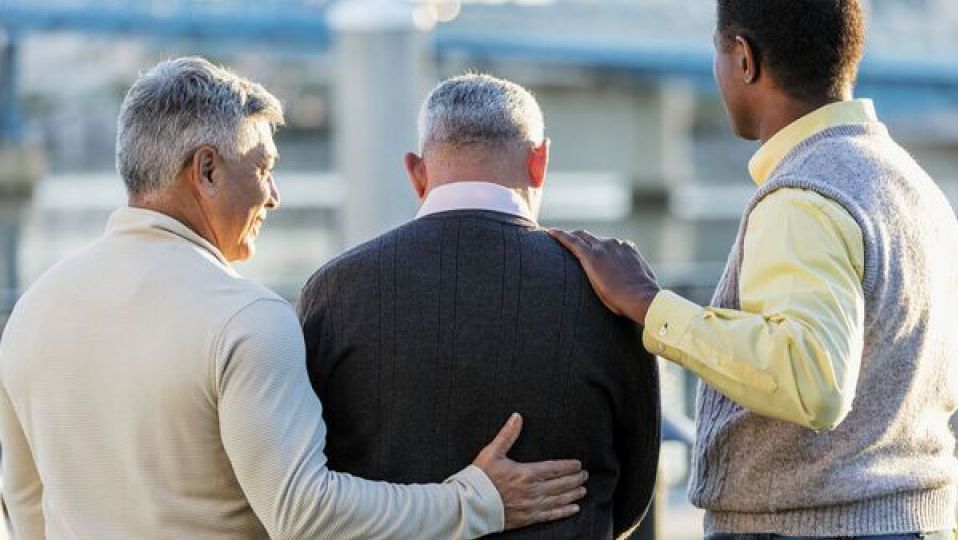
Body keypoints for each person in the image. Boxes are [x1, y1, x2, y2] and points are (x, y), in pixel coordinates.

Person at [0, 57, 589, 539]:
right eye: (264, 168)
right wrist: (477, 501)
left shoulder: (33, 310)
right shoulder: (244, 319)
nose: (274, 195)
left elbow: (25, 507)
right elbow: (305, 516)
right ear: (206, 170)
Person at [551, 0, 958, 538]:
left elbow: (810, 380)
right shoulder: (913, 185)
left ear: (744, 59)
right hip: (914, 520)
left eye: (718, 55)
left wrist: (649, 305)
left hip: (811, 529)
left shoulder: (805, 194)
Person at [297, 73, 661, 539]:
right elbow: (633, 495)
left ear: (416, 172)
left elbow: (313, 484)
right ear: (539, 163)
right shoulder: (609, 289)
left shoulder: (334, 289)